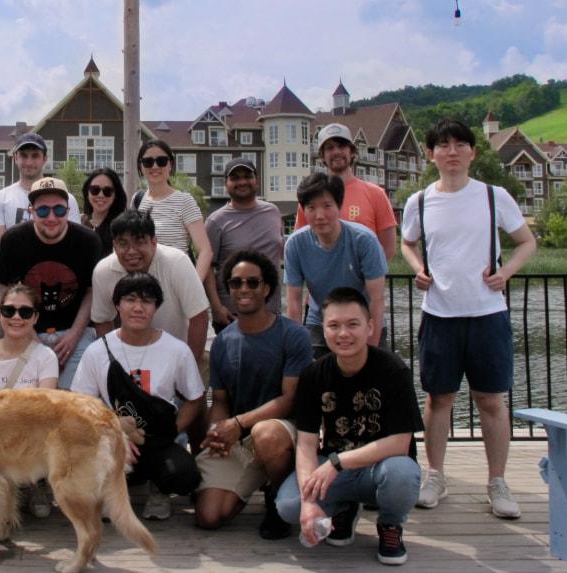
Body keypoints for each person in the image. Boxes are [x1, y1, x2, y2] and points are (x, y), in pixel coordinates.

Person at [400, 118, 536, 519]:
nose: (452, 151)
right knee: (438, 398)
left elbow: (526, 242)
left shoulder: (494, 196)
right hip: (439, 314)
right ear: (431, 154)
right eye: (443, 144)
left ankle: (497, 482)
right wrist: (417, 267)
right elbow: (406, 243)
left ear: (473, 152)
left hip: (487, 314)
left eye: (460, 144)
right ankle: (436, 475)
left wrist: (505, 273)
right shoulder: (420, 201)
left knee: (491, 400)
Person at [276, 288, 423, 566]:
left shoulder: (393, 370)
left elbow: (399, 443)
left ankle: (390, 525)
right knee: (289, 506)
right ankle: (344, 508)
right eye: (334, 326)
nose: (343, 333)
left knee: (402, 472)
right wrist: (309, 501)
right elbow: (306, 443)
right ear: (323, 330)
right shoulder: (314, 374)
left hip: (377, 468)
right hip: (337, 469)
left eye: (352, 324)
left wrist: (336, 463)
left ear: (369, 327)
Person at [194, 250, 312, 539]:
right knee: (209, 517)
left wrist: (238, 424)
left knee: (266, 434)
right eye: (236, 283)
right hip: (240, 435)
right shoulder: (223, 342)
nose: (244, 289)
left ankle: (277, 496)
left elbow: (289, 400)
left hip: (282, 430)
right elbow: (220, 401)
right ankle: (253, 479)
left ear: (267, 288)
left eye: (252, 282)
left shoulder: (293, 335)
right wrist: (217, 432)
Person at [73, 273, 205, 521]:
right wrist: (114, 433)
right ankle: (110, 493)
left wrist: (172, 431)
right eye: (130, 299)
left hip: (158, 437)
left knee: (184, 474)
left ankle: (159, 490)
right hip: (112, 437)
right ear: (117, 306)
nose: (137, 307)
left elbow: (195, 397)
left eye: (146, 301)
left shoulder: (177, 350)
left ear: (156, 307)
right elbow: (81, 403)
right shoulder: (97, 351)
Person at [0, 177, 102, 389]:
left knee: (77, 401)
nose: (51, 217)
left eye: (59, 210)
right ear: (31, 211)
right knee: (30, 404)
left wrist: (73, 336)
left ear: (68, 211)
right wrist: (30, 336)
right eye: (43, 211)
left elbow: (91, 292)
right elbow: (6, 292)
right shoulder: (12, 241)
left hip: (76, 331)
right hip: (25, 329)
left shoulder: (88, 241)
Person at [0, 283, 59, 522]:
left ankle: (34, 482)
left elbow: (45, 407)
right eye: (9, 311)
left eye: (25, 312)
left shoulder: (45, 356)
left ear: (36, 317)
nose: (16, 317)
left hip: (29, 436)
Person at [284, 172, 387, 358]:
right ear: (303, 210)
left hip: (362, 319)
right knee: (317, 379)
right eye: (311, 207)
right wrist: (295, 348)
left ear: (339, 206)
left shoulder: (364, 240)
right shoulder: (295, 244)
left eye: (327, 206)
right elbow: (293, 302)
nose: (319, 215)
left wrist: (371, 350)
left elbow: (377, 299)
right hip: (320, 319)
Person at [92, 210, 208, 361]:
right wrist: (113, 362)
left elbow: (199, 317)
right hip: (131, 358)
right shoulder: (103, 271)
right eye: (123, 244)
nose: (131, 251)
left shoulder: (177, 262)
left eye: (139, 242)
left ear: (154, 242)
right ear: (114, 245)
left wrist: (189, 365)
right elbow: (102, 319)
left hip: (183, 352)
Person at [295, 123, 397, 262]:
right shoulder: (310, 196)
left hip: (364, 282)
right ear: (322, 156)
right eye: (330, 148)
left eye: (342, 146)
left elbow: (389, 247)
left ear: (352, 152)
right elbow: (300, 245)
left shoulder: (376, 194)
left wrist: (369, 273)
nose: (336, 152)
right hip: (324, 282)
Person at [204, 157, 284, 325]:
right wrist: (217, 308)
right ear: (226, 183)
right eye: (235, 178)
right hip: (233, 316)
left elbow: (281, 254)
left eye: (247, 176)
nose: (242, 182)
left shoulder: (273, 212)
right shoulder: (215, 222)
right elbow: (207, 269)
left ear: (257, 180)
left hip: (272, 313)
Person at [0, 133, 80, 261]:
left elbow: (73, 245)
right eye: (24, 155)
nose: (29, 162)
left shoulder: (67, 199)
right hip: (12, 279)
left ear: (44, 159)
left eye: (35, 156)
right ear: (15, 158)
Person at [133, 139, 212, 281]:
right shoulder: (137, 200)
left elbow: (205, 251)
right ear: (141, 167)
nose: (155, 166)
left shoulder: (185, 201)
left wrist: (193, 288)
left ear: (170, 165)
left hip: (178, 285)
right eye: (148, 162)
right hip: (145, 287)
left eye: (161, 161)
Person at [80, 167, 128, 258]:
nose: (100, 195)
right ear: (87, 192)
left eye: (107, 191)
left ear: (115, 195)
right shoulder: (79, 222)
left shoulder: (123, 228)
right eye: (95, 190)